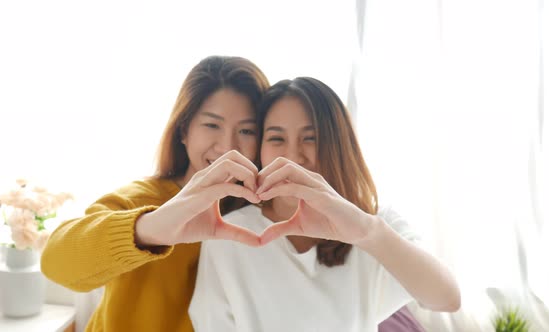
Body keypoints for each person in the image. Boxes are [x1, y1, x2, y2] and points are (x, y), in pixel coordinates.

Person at [189, 77, 461, 332]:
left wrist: (366, 232)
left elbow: (447, 298)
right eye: (276, 138)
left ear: (338, 146)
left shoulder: (373, 224)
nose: (294, 156)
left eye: (311, 138)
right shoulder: (230, 234)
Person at [41, 55, 270, 332]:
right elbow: (54, 263)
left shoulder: (262, 219)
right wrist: (150, 230)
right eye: (212, 125)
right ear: (184, 130)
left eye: (246, 130)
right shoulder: (143, 200)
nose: (227, 147)